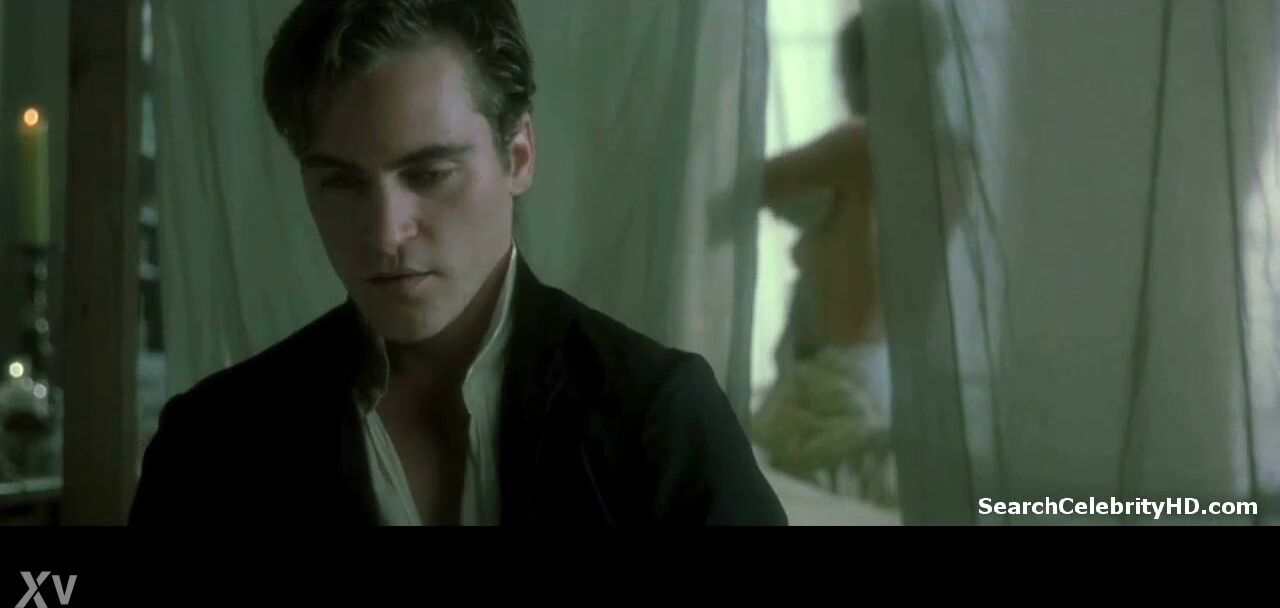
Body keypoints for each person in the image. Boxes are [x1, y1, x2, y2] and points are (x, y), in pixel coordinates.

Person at [129, 0, 785, 526]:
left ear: (518, 156)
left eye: (429, 172)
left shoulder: (657, 420)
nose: (385, 232)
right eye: (342, 183)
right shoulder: (213, 444)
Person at [750, 14, 897, 507]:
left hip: (840, 370)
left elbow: (753, 182)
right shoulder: (947, 155)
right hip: (878, 363)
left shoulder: (863, 145)